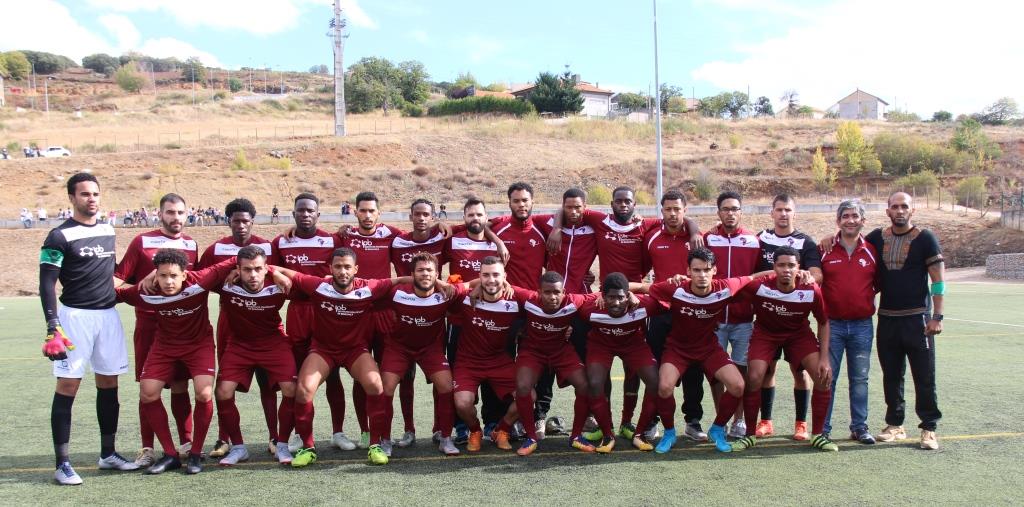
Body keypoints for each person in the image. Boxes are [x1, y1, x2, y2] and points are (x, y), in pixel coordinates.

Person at [271, 247, 417, 467]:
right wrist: (271, 271)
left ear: (356, 269)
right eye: (338, 267)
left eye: (347, 267)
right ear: (330, 269)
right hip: (323, 350)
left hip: (355, 350)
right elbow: (285, 271)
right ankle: (308, 448)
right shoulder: (318, 285)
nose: (342, 271)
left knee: (376, 385)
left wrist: (438, 282)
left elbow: (398, 280)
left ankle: (375, 445)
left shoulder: (368, 288)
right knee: (303, 390)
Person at [40, 173, 139, 485]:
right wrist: (53, 325)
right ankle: (63, 463)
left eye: (95, 193)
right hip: (74, 318)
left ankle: (108, 454)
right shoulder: (58, 236)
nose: (91, 199)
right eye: (84, 194)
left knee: (110, 383)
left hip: (107, 316)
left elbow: (108, 274)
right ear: (71, 198)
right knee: (68, 387)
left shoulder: (108, 228)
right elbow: (46, 283)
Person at [115, 249, 238, 474]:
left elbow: (238, 257)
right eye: (163, 276)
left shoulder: (201, 280)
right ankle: (171, 454)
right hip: (165, 346)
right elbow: (117, 295)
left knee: (204, 393)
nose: (168, 281)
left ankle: (195, 453)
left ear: (184, 274)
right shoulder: (146, 290)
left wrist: (268, 272)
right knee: (148, 391)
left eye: (173, 275)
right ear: (156, 275)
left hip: (198, 344)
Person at [633, 248, 767, 454]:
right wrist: (609, 291)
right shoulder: (676, 288)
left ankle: (717, 428)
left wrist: (798, 273)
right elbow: (642, 287)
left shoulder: (726, 287)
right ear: (688, 271)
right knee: (665, 387)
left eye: (706, 270)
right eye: (696, 270)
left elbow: (753, 277)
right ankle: (669, 432)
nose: (702, 275)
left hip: (708, 348)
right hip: (678, 348)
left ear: (715, 270)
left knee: (738, 385)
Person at [115, 193, 199, 467]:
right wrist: (143, 284)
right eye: (170, 212)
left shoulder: (190, 244)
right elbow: (117, 280)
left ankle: (186, 442)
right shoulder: (142, 241)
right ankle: (147, 448)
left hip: (180, 326)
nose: (176, 218)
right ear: (160, 214)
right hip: (150, 326)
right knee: (148, 389)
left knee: (179, 384)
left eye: (181, 213)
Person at [730, 246, 838, 453]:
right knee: (754, 377)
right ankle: (750, 435)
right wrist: (767, 273)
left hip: (798, 335)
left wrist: (824, 358)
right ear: (774, 268)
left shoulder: (810, 289)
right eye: (781, 265)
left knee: (823, 376)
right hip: (765, 334)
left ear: (799, 267)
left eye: (791, 265)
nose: (786, 270)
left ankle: (817, 435)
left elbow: (823, 322)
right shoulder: (760, 286)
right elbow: (740, 283)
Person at [267, 193, 352, 454]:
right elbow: (269, 267)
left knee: (334, 372)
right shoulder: (282, 241)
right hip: (298, 312)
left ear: (318, 214)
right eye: (300, 210)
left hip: (327, 310)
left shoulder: (332, 239)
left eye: (310, 210)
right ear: (293, 214)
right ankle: (299, 434)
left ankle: (338, 432)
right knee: (299, 377)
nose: (305, 214)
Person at [197, 198, 277, 459]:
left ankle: (275, 436)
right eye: (236, 221)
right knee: (225, 382)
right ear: (228, 221)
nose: (241, 225)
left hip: (264, 319)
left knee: (268, 381)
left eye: (246, 221)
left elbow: (280, 271)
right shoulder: (216, 248)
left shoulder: (267, 245)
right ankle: (225, 438)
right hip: (230, 320)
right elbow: (200, 278)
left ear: (253, 222)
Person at [866, 192, 944, 450]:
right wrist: (829, 239)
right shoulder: (877, 238)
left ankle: (929, 427)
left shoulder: (925, 239)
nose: (900, 211)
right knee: (891, 375)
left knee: (924, 376)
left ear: (913, 210)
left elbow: (938, 280)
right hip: (887, 319)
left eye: (904, 207)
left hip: (918, 320)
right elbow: (853, 245)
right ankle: (895, 424)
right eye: (895, 207)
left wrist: (937, 316)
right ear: (887, 211)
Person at [212, 245, 297, 465]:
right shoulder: (226, 284)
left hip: (273, 341)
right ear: (237, 269)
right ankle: (239, 447)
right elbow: (194, 276)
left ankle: (282, 445)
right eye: (247, 269)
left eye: (258, 269)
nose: (253, 275)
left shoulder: (278, 284)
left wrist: (277, 272)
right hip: (240, 344)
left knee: (291, 389)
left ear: (265, 268)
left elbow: (316, 283)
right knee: (222, 391)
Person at [753, 194, 823, 441]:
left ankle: (801, 424)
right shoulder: (761, 239)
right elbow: (751, 277)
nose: (783, 214)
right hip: (767, 319)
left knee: (799, 371)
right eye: (779, 210)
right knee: (767, 370)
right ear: (771, 213)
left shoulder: (805, 242)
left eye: (788, 210)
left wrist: (804, 276)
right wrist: (771, 276)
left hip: (795, 319)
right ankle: (766, 421)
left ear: (795, 213)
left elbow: (817, 274)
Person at [642, 189, 708, 443]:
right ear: (661, 211)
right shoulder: (651, 237)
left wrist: (693, 230)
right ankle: (654, 420)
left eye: (677, 209)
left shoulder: (698, 239)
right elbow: (640, 269)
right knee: (657, 368)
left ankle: (693, 420)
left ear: (685, 210)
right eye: (668, 209)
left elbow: (710, 271)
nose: (672, 213)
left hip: (691, 313)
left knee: (694, 369)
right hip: (660, 312)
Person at [379, 253, 462, 457]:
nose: (425, 274)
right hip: (398, 348)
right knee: (386, 388)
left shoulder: (446, 294)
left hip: (430, 349)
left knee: (446, 386)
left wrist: (503, 281)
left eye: (429, 271)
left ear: (437, 274)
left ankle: (445, 438)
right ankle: (385, 440)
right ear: (412, 274)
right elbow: (369, 288)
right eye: (420, 270)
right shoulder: (396, 293)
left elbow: (474, 284)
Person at [512, 271, 599, 456]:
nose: (552, 297)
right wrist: (477, 285)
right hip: (532, 351)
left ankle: (576, 436)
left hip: (561, 351)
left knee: (585, 385)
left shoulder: (573, 300)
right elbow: (499, 284)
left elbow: (603, 292)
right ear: (539, 292)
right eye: (547, 292)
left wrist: (631, 293)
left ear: (564, 292)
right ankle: (531, 438)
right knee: (522, 387)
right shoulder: (528, 298)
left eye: (556, 292)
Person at [577, 273, 662, 453]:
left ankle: (637, 433)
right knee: (594, 383)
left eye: (621, 297)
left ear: (628, 295)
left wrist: (636, 293)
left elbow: (663, 294)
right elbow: (570, 301)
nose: (616, 302)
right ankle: (608, 434)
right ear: (603, 296)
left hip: (633, 344)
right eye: (611, 297)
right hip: (601, 346)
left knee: (655, 382)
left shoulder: (643, 304)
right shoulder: (590, 308)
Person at [819, 199, 879, 444]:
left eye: (855, 216)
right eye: (846, 216)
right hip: (832, 325)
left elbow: (879, 284)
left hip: (862, 325)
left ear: (863, 221)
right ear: (838, 221)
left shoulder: (873, 250)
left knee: (860, 378)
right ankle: (822, 428)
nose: (851, 220)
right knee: (827, 376)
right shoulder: (824, 249)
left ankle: (859, 427)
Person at [449, 256, 523, 452]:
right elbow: (442, 287)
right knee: (462, 404)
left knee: (527, 397)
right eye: (486, 275)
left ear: (505, 277)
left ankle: (502, 430)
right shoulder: (466, 298)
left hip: (499, 360)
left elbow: (543, 301)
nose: (491, 280)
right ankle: (475, 431)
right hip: (468, 362)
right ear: (479, 277)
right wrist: (473, 285)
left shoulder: (515, 299)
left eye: (496, 275)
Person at [705, 191, 761, 438]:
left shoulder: (752, 241)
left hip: (743, 321)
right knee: (716, 375)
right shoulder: (707, 239)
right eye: (725, 208)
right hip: (713, 321)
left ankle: (739, 420)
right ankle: (722, 418)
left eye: (735, 208)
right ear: (718, 212)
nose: (730, 213)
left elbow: (762, 276)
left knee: (740, 374)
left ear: (741, 212)